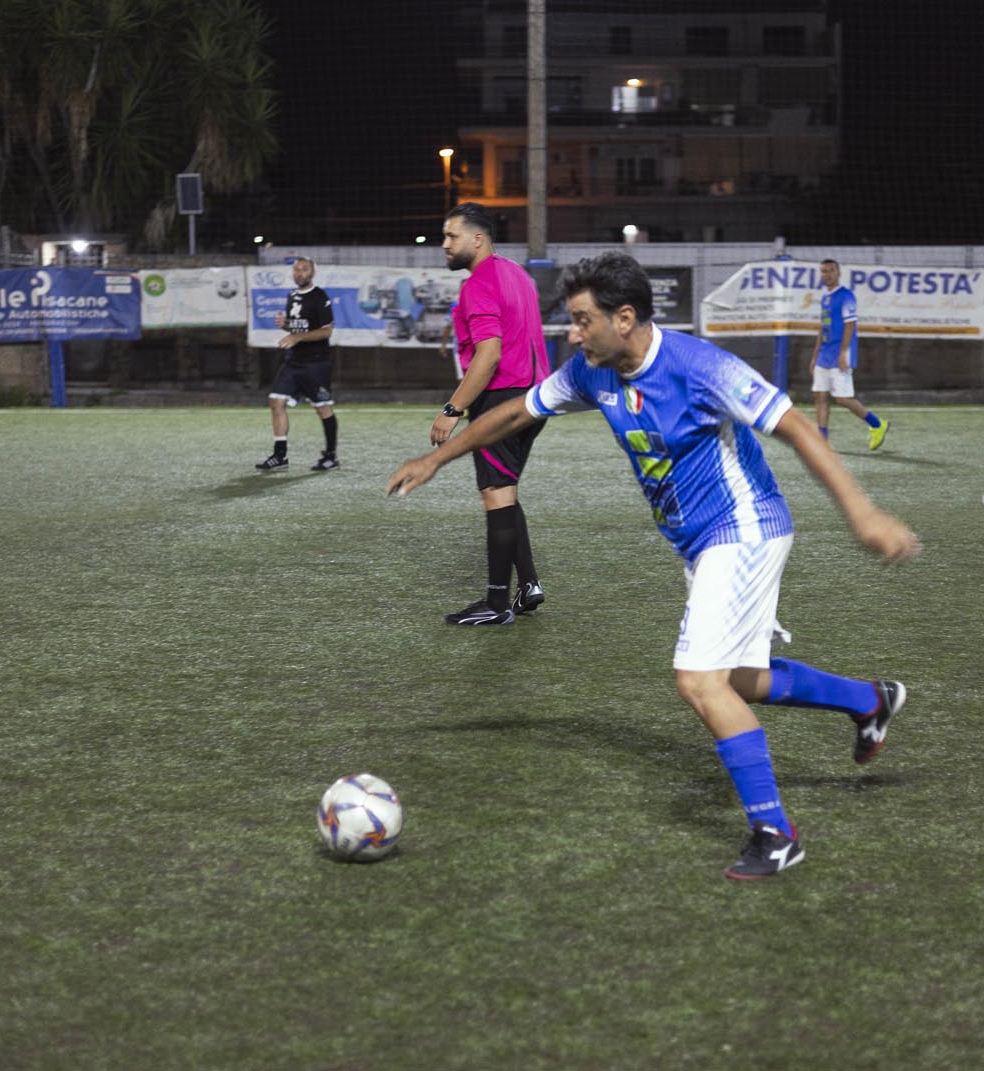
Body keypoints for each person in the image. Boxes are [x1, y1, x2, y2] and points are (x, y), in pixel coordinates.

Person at [388, 252, 920, 880]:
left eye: (583, 321)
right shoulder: (593, 372)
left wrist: (864, 515)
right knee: (740, 681)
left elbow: (797, 427)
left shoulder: (700, 367)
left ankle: (775, 833)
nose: (573, 335)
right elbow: (516, 412)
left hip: (744, 529)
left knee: (698, 681)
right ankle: (868, 701)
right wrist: (438, 458)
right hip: (701, 544)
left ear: (624, 318)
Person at [430, 202, 548, 626]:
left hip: (501, 399)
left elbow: (489, 355)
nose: (445, 244)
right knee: (505, 491)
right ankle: (528, 584)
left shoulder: (478, 283)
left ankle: (496, 604)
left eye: (452, 236)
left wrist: (452, 409)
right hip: (535, 397)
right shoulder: (517, 274)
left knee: (496, 493)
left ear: (477, 239)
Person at [257, 257, 340, 472]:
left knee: (323, 408)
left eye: (304, 269)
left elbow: (326, 331)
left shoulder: (319, 296)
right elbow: (297, 328)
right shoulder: (292, 296)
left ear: (312, 273)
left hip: (316, 363)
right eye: (296, 270)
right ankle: (280, 456)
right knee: (276, 401)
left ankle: (331, 456)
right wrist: (285, 325)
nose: (299, 273)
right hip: (294, 361)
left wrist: (297, 337)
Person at [811, 258, 888, 450]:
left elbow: (850, 325)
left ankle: (877, 424)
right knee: (820, 396)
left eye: (831, 270)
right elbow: (823, 327)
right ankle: (822, 440)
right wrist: (814, 356)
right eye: (824, 271)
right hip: (824, 355)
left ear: (838, 273)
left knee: (842, 399)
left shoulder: (846, 296)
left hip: (839, 354)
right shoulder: (825, 298)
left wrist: (844, 353)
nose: (827, 274)